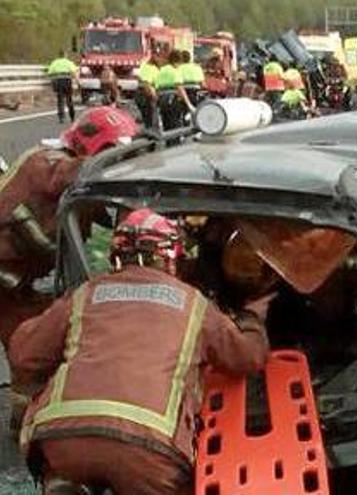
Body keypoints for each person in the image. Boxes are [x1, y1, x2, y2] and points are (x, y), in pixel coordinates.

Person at [10, 208, 269, 495]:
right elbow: (248, 357)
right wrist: (250, 317)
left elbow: (24, 354)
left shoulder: (87, 293)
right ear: (171, 256)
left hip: (63, 438)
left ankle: (64, 480)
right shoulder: (193, 304)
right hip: (150, 450)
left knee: (67, 467)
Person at [1, 107, 140, 435]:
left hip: (16, 277)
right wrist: (127, 159)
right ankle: (27, 424)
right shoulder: (47, 162)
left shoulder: (79, 183)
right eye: (111, 151)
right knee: (31, 346)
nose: (114, 159)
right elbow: (74, 175)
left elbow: (102, 213)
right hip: (6, 279)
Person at [155, 50, 195, 133]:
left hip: (162, 99)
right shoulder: (175, 71)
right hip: (172, 99)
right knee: (175, 123)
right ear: (178, 61)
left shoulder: (161, 70)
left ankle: (169, 143)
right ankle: (175, 143)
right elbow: (180, 88)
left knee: (166, 123)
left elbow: (156, 86)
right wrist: (188, 104)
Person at [46, 51, 77, 123]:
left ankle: (61, 117)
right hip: (67, 81)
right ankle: (72, 116)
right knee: (69, 99)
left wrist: (52, 82)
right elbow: (74, 72)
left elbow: (50, 73)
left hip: (58, 82)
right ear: (65, 55)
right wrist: (78, 82)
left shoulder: (55, 62)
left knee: (60, 100)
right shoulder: (69, 62)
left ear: (59, 55)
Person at [136, 55, 161, 129]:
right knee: (152, 118)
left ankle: (148, 130)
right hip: (147, 94)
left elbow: (140, 79)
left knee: (146, 117)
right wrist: (154, 96)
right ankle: (151, 134)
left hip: (139, 93)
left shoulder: (143, 67)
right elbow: (148, 84)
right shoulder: (154, 69)